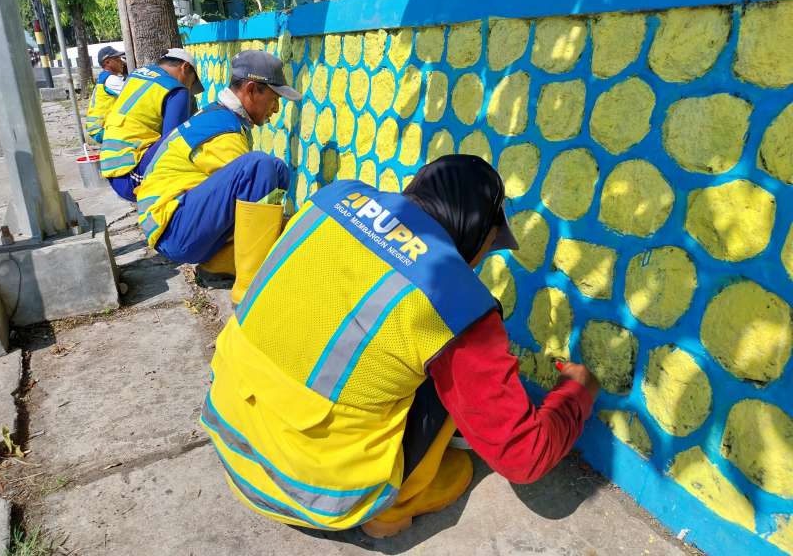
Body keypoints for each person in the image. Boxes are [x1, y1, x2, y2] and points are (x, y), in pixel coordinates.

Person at [200, 155, 600, 537]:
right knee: (452, 372)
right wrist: (576, 392)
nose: (478, 262)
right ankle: (391, 507)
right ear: (477, 231)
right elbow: (523, 456)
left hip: (229, 426)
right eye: (490, 245)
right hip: (313, 492)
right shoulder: (456, 302)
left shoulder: (333, 199)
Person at [135, 50, 301, 292]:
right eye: (274, 98)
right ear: (252, 90)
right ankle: (249, 287)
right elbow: (252, 197)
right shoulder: (224, 131)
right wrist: (290, 228)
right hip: (173, 230)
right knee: (260, 168)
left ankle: (219, 266)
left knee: (277, 171)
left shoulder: (219, 115)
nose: (275, 109)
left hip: (179, 221)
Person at [100, 47, 203, 201]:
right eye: (192, 82)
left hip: (109, 164)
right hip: (130, 174)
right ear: (185, 67)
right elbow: (172, 143)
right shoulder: (177, 91)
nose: (189, 87)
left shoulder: (136, 75)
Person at [85, 46, 128, 144]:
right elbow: (133, 93)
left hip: (96, 127)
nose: (122, 62)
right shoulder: (111, 80)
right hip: (101, 129)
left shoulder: (104, 77)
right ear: (108, 62)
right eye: (117, 59)